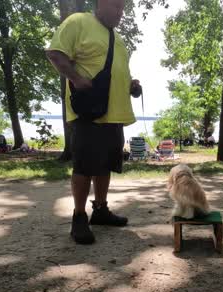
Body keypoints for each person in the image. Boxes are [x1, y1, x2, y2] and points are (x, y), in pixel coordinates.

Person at [46, 0, 142, 245]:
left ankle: (100, 210)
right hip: (88, 111)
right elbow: (55, 53)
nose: (120, 13)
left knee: (105, 164)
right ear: (100, 4)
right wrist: (76, 78)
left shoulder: (117, 38)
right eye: (115, 7)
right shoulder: (78, 22)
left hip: (114, 114)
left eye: (122, 9)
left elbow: (117, 70)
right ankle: (79, 217)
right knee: (85, 166)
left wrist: (130, 84)